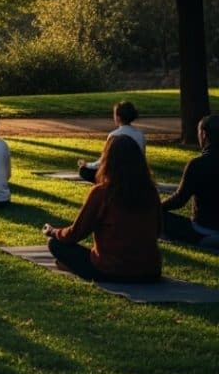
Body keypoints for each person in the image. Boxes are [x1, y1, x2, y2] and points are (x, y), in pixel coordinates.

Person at [43, 135, 162, 283]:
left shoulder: (102, 192)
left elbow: (76, 233)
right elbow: (157, 231)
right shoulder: (150, 191)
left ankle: (71, 267)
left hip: (112, 270)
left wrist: (54, 232)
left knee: (55, 244)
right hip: (150, 270)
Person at [160, 115, 219, 245]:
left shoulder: (198, 164)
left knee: (159, 217)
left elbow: (179, 199)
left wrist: (157, 207)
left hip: (204, 230)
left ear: (203, 134)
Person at [78, 101, 145, 182]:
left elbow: (103, 162)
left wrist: (87, 165)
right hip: (135, 175)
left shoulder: (113, 135)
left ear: (118, 117)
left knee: (83, 170)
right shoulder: (140, 134)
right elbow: (142, 158)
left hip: (116, 176)